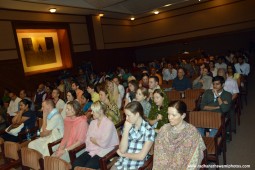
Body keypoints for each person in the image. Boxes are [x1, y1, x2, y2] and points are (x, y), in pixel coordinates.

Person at [153, 100, 206, 169]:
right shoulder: (164, 129)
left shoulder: (191, 132)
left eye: (173, 115)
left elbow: (194, 159)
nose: (169, 117)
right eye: (168, 114)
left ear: (183, 115)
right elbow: (158, 155)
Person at [72, 101, 119, 169]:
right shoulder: (92, 123)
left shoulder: (109, 124)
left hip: (105, 151)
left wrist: (94, 141)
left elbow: (104, 143)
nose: (91, 113)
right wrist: (95, 142)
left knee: (89, 167)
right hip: (92, 149)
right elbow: (88, 139)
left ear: (100, 111)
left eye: (93, 111)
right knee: (76, 163)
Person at [111, 101, 155, 170]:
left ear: (137, 114)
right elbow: (122, 150)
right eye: (126, 115)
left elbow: (141, 156)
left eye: (128, 115)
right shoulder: (128, 125)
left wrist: (124, 155)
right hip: (122, 163)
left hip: (136, 165)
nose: (126, 118)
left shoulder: (149, 131)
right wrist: (126, 130)